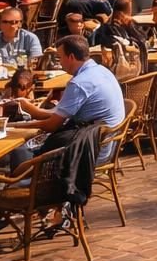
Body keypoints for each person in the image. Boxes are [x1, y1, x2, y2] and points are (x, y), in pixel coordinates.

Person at [13, 34, 127, 164]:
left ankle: (24, 181)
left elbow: (52, 125)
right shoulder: (102, 70)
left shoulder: (79, 83)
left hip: (90, 152)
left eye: (60, 58)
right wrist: (31, 110)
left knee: (22, 149)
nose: (59, 63)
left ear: (71, 57)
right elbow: (61, 112)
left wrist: (18, 127)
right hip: (106, 144)